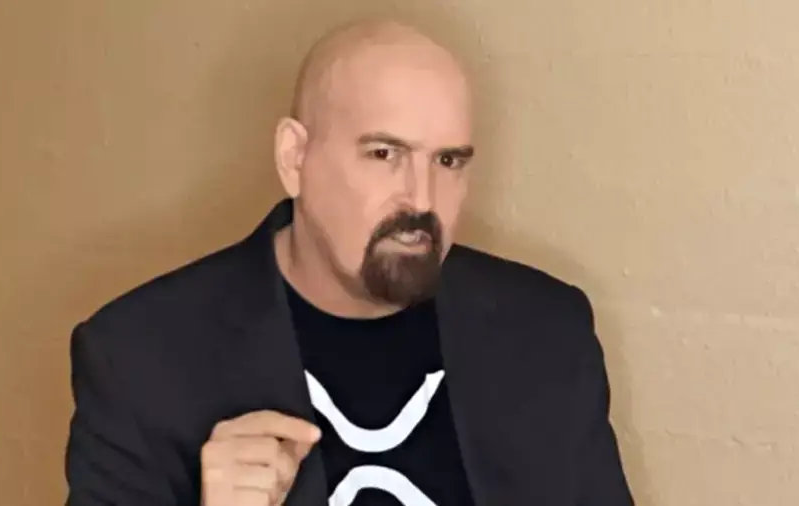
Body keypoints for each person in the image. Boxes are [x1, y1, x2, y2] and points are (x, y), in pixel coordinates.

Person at [64, 18, 634, 506]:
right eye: (384, 154)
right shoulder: (140, 356)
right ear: (294, 158)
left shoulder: (546, 329)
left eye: (448, 161)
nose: (421, 200)